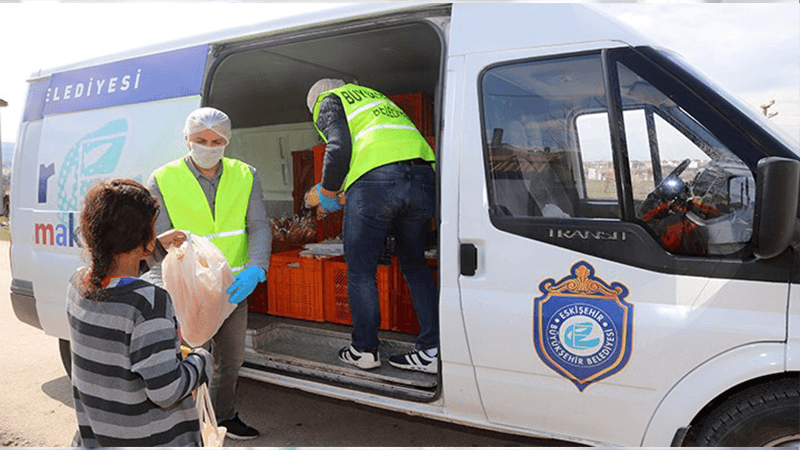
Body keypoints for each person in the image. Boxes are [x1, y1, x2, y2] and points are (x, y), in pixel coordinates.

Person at [144, 107, 270, 440]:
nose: (209, 146)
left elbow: (258, 224)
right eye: (201, 139)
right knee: (186, 360)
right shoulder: (163, 178)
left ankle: (223, 417)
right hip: (185, 289)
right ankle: (185, 424)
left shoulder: (246, 174)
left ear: (227, 141)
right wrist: (171, 288)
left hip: (232, 286)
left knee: (231, 360)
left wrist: (258, 266)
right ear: (187, 139)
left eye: (217, 140)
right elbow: (157, 240)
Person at [305, 78, 439, 373]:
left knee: (361, 271)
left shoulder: (329, 100)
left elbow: (339, 148)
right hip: (422, 178)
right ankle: (432, 350)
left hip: (376, 181)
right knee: (415, 265)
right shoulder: (375, 99)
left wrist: (327, 193)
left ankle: (364, 350)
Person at [67, 179, 213, 447]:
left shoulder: (78, 284)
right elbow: (166, 392)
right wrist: (201, 360)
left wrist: (152, 248)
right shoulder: (150, 304)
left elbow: (116, 279)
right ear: (143, 236)